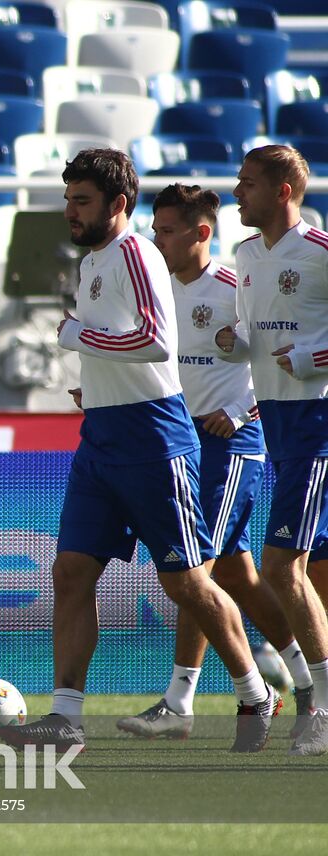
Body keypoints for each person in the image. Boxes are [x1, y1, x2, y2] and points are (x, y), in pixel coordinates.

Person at [0, 149, 276, 753]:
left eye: (82, 200)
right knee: (71, 571)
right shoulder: (97, 259)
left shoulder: (136, 254)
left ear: (117, 204)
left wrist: (77, 334)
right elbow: (121, 345)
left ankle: (255, 692)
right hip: (102, 436)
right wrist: (93, 383)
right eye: (68, 199)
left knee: (188, 581)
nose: (69, 212)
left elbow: (152, 342)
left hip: (154, 438)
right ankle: (66, 715)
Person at [117, 183, 308, 739]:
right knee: (236, 575)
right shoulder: (154, 291)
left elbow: (277, 350)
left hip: (230, 444)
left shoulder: (232, 288)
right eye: (154, 229)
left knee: (191, 569)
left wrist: (241, 409)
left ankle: (181, 701)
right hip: (180, 442)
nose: (157, 239)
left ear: (202, 234)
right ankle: (307, 677)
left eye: (168, 230)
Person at [215, 144, 328, 754]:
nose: (238, 193)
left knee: (283, 566)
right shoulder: (245, 255)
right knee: (315, 575)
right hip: (276, 423)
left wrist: (314, 358)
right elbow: (258, 335)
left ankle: (321, 707)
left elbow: (309, 346)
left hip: (318, 422)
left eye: (248, 183)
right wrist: (238, 341)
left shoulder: (319, 252)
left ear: (284, 190)